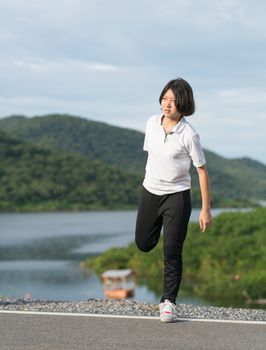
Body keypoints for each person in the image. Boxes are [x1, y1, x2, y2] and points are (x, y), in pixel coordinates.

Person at [135, 77, 212, 323]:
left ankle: (168, 302)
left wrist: (205, 210)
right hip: (150, 191)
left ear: (183, 104)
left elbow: (201, 171)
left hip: (177, 195)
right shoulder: (151, 123)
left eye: (174, 100)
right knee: (144, 243)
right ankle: (161, 229)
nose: (167, 104)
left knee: (172, 250)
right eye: (165, 98)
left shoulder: (189, 134)